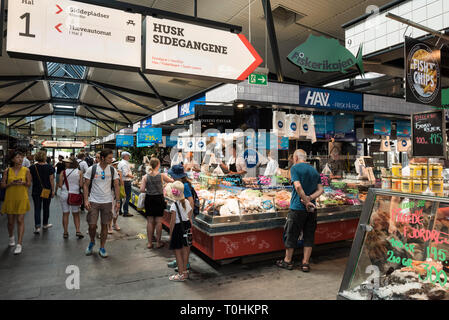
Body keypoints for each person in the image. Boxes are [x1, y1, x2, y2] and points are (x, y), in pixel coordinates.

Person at [276, 149, 324, 272]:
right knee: (309, 234)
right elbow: (321, 190)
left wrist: (305, 201)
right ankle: (305, 263)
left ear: (296, 158)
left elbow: (297, 186)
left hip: (297, 208)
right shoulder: (314, 170)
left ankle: (287, 261)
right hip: (312, 209)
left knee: (291, 233)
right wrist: (310, 199)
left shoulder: (295, 168)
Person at [83, 149, 120, 258]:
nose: (111, 159)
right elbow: (85, 185)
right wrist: (86, 199)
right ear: (102, 158)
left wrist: (118, 201)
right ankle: (92, 241)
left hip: (107, 202)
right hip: (93, 201)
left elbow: (117, 185)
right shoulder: (92, 169)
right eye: (109, 157)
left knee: (105, 225)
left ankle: (102, 247)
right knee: (92, 225)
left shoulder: (113, 170)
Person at [1, 150, 32, 255]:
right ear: (13, 159)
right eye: (18, 157)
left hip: (22, 197)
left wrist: (23, 182)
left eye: (21, 157)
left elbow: (29, 184)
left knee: (20, 220)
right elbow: (2, 185)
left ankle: (19, 243)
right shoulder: (7, 171)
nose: (20, 159)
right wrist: (10, 184)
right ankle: (11, 237)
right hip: (10, 198)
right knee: (10, 222)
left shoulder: (26, 170)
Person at [140, 158, 174, 249]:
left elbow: (142, 190)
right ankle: (158, 242)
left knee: (150, 221)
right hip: (159, 199)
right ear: (158, 165)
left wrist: (150, 190)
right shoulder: (162, 175)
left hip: (149, 199)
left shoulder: (145, 177)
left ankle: (150, 243)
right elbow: (172, 181)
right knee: (159, 222)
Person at [167, 164, 194, 272]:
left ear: (179, 176)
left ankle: (184, 263)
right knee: (183, 243)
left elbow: (190, 201)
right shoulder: (181, 184)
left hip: (183, 220)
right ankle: (180, 261)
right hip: (183, 218)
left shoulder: (185, 186)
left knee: (183, 244)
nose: (172, 177)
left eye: (173, 176)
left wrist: (188, 217)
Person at [165, 181, 193, 282]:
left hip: (177, 229)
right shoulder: (187, 202)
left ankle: (180, 274)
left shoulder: (174, 205)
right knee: (186, 252)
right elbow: (189, 217)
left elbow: (172, 222)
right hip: (186, 227)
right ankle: (185, 273)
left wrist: (171, 234)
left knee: (178, 253)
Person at [58, 157, 84, 239]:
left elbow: (59, 185)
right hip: (75, 195)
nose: (65, 163)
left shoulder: (63, 172)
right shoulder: (79, 172)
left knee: (65, 213)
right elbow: (81, 185)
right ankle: (78, 230)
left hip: (64, 194)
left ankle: (65, 232)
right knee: (76, 214)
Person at [29, 151, 55, 234]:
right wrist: (53, 190)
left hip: (36, 190)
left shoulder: (32, 167)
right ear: (45, 157)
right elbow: (51, 180)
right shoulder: (49, 167)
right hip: (46, 190)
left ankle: (37, 227)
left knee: (37, 208)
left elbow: (30, 180)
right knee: (46, 207)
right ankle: (45, 224)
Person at [118, 151, 134, 217]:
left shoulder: (121, 162)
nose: (129, 157)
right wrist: (132, 176)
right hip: (126, 182)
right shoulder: (124, 164)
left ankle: (119, 210)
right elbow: (125, 174)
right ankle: (126, 212)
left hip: (122, 181)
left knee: (122, 196)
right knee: (127, 197)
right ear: (125, 156)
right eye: (128, 156)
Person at [109, 161, 122, 233]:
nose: (115, 166)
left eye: (116, 164)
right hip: (110, 193)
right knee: (110, 210)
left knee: (117, 209)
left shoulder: (118, 172)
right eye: (114, 164)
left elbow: (121, 183)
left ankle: (114, 223)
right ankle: (110, 226)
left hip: (117, 193)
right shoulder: (108, 172)